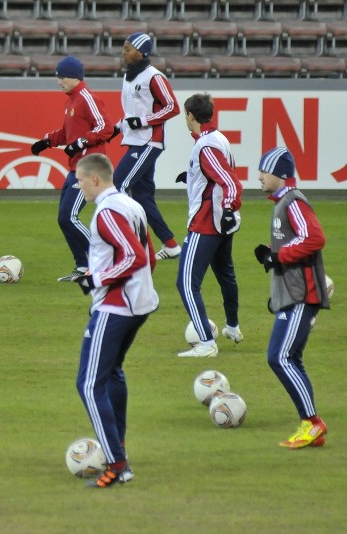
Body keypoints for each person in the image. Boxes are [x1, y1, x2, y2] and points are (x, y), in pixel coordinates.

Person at [67, 153, 158, 488]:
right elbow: (148, 256)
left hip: (116, 306)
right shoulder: (131, 205)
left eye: (79, 180)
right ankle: (118, 446)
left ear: (94, 179)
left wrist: (96, 279)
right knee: (113, 372)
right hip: (140, 303)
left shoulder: (106, 212)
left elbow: (133, 256)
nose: (78, 186)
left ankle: (117, 462)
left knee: (89, 384)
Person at [255, 147, 329, 448]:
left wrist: (279, 256)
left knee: (280, 357)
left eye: (264, 171)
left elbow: (314, 238)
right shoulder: (283, 203)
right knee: (288, 357)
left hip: (302, 293)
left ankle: (313, 423)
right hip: (292, 293)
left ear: (280, 174)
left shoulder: (293, 201)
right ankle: (310, 427)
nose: (259, 176)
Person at [30, 56, 114, 282]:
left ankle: (103, 259)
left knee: (69, 216)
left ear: (74, 77)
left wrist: (82, 142)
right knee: (63, 218)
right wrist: (47, 141)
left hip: (89, 167)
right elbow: (68, 133)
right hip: (75, 167)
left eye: (61, 77)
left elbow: (106, 128)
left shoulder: (87, 98)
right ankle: (83, 265)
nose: (59, 82)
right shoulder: (72, 100)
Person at [176, 93, 244, 358]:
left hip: (207, 222)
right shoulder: (218, 139)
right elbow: (219, 173)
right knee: (225, 273)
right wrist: (191, 176)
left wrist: (228, 208)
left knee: (186, 283)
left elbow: (229, 181)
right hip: (220, 222)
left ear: (190, 116)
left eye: (185, 114)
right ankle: (232, 326)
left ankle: (206, 343)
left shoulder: (206, 146)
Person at [114, 32, 182, 260]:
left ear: (142, 52)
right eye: (123, 47)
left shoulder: (155, 77)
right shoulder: (128, 77)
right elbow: (131, 114)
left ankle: (132, 246)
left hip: (148, 142)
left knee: (118, 185)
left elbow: (172, 107)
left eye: (128, 48)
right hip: (135, 140)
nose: (123, 52)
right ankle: (171, 245)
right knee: (143, 198)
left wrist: (143, 122)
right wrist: (119, 126)